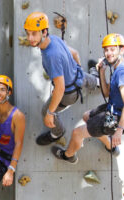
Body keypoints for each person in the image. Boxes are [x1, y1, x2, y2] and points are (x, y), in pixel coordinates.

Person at [51, 33, 124, 163]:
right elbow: (107, 92)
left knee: (77, 133)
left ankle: (68, 156)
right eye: (106, 50)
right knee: (87, 116)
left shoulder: (123, 73)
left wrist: (119, 130)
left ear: (122, 50)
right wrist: (101, 73)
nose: (108, 53)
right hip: (114, 108)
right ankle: (111, 147)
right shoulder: (117, 67)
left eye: (112, 49)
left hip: (118, 118)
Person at [23, 12, 98, 146]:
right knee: (89, 79)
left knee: (45, 111)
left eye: (34, 33)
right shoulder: (54, 39)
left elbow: (60, 88)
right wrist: (78, 70)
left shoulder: (51, 56)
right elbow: (75, 53)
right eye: (28, 33)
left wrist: (50, 113)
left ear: (44, 32)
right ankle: (98, 82)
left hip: (69, 94)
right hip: (79, 77)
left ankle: (57, 133)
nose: (30, 38)